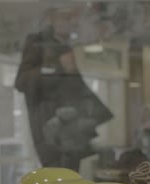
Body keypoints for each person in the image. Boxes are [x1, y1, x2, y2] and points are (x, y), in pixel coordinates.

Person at [14, 8, 113, 172]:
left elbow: (77, 86)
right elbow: (22, 81)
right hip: (51, 124)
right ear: (53, 19)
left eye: (74, 18)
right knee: (57, 172)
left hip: (72, 125)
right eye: (67, 17)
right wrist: (55, 66)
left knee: (73, 171)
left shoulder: (66, 46)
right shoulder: (38, 41)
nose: (73, 22)